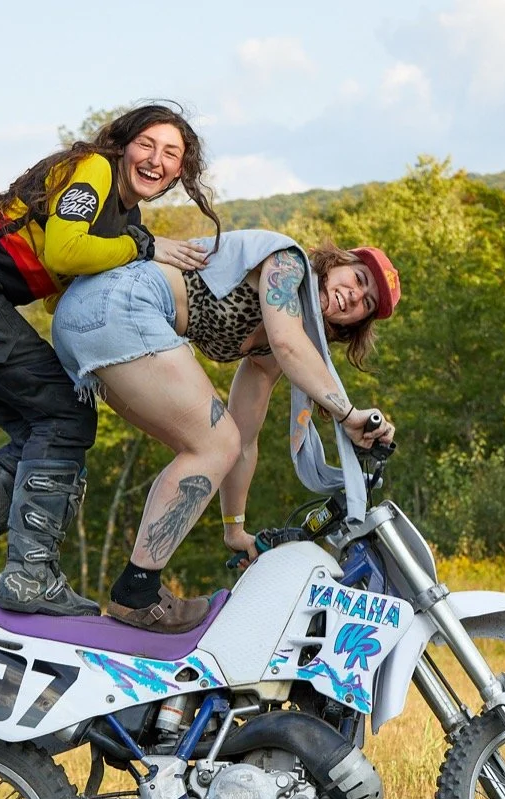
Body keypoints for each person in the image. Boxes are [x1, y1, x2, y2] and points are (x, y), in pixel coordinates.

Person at [0, 104, 220, 616]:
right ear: (123, 144)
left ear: (182, 170)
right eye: (147, 145)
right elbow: (66, 253)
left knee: (41, 425)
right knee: (64, 414)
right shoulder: (96, 170)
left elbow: (62, 293)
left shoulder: (123, 216)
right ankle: (30, 576)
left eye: (171, 154)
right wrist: (142, 247)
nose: (156, 159)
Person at [51, 229, 400, 633]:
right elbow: (290, 346)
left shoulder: (270, 347)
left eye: (366, 303)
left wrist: (235, 529)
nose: (355, 296)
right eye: (358, 279)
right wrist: (347, 413)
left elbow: (244, 440)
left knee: (212, 444)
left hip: (87, 323)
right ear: (337, 262)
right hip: (118, 304)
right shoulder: (287, 263)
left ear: (358, 323)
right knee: (215, 441)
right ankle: (137, 593)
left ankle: (121, 587)